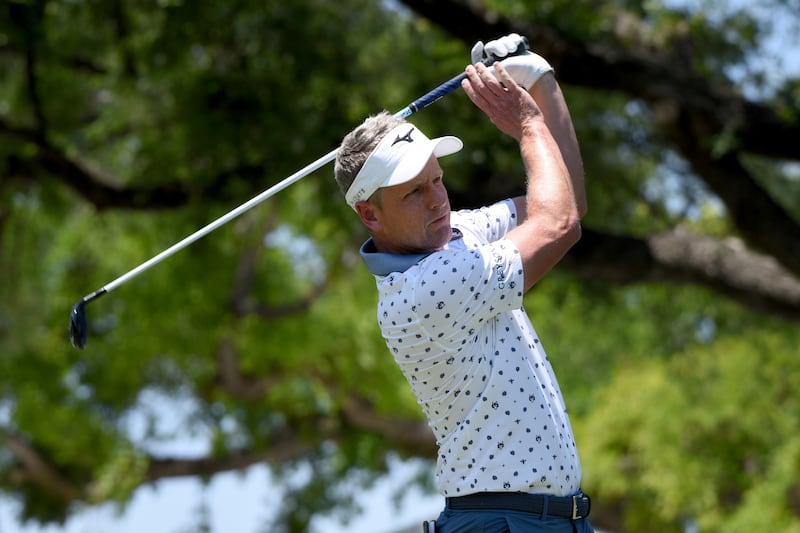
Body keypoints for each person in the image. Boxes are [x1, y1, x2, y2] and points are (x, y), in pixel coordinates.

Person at [334, 34, 591, 533]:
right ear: (370, 214)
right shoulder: (424, 289)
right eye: (414, 193)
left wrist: (540, 82)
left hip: (547, 520)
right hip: (504, 523)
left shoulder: (456, 236)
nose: (437, 200)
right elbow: (560, 225)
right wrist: (527, 125)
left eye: (437, 179)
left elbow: (568, 200)